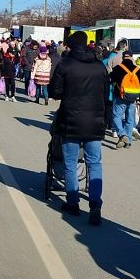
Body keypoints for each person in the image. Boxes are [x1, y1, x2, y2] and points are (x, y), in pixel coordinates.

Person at [48, 32, 108, 225]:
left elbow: (55, 93)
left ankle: (72, 203)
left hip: (70, 121)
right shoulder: (100, 66)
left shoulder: (65, 65)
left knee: (71, 163)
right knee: (94, 163)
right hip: (95, 122)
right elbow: (106, 95)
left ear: (71, 45)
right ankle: (95, 204)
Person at [109, 51, 140, 149]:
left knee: (116, 116)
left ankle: (122, 134)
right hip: (133, 98)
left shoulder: (118, 68)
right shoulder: (138, 70)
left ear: (123, 58)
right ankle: (128, 141)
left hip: (120, 96)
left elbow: (111, 78)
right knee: (130, 119)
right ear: (132, 57)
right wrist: (139, 98)